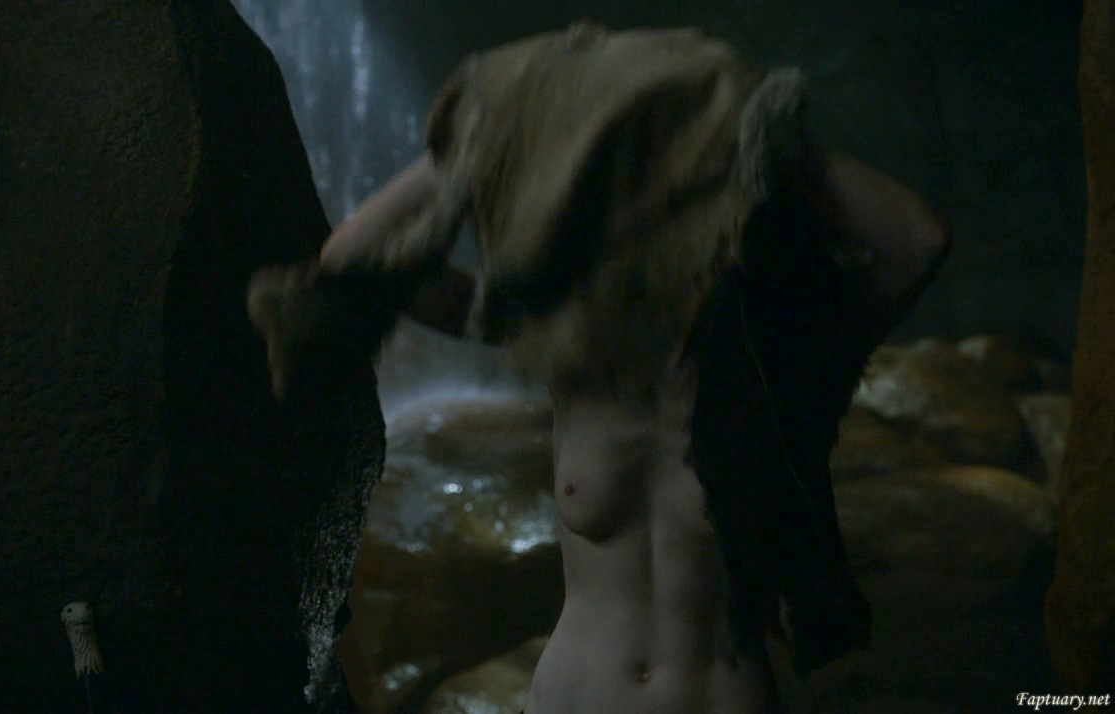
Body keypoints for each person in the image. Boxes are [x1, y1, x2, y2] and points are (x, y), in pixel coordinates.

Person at [255, 28, 950, 714]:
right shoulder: (573, 355)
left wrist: (748, 129)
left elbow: (917, 240)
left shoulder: (775, 363)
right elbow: (352, 262)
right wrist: (489, 135)